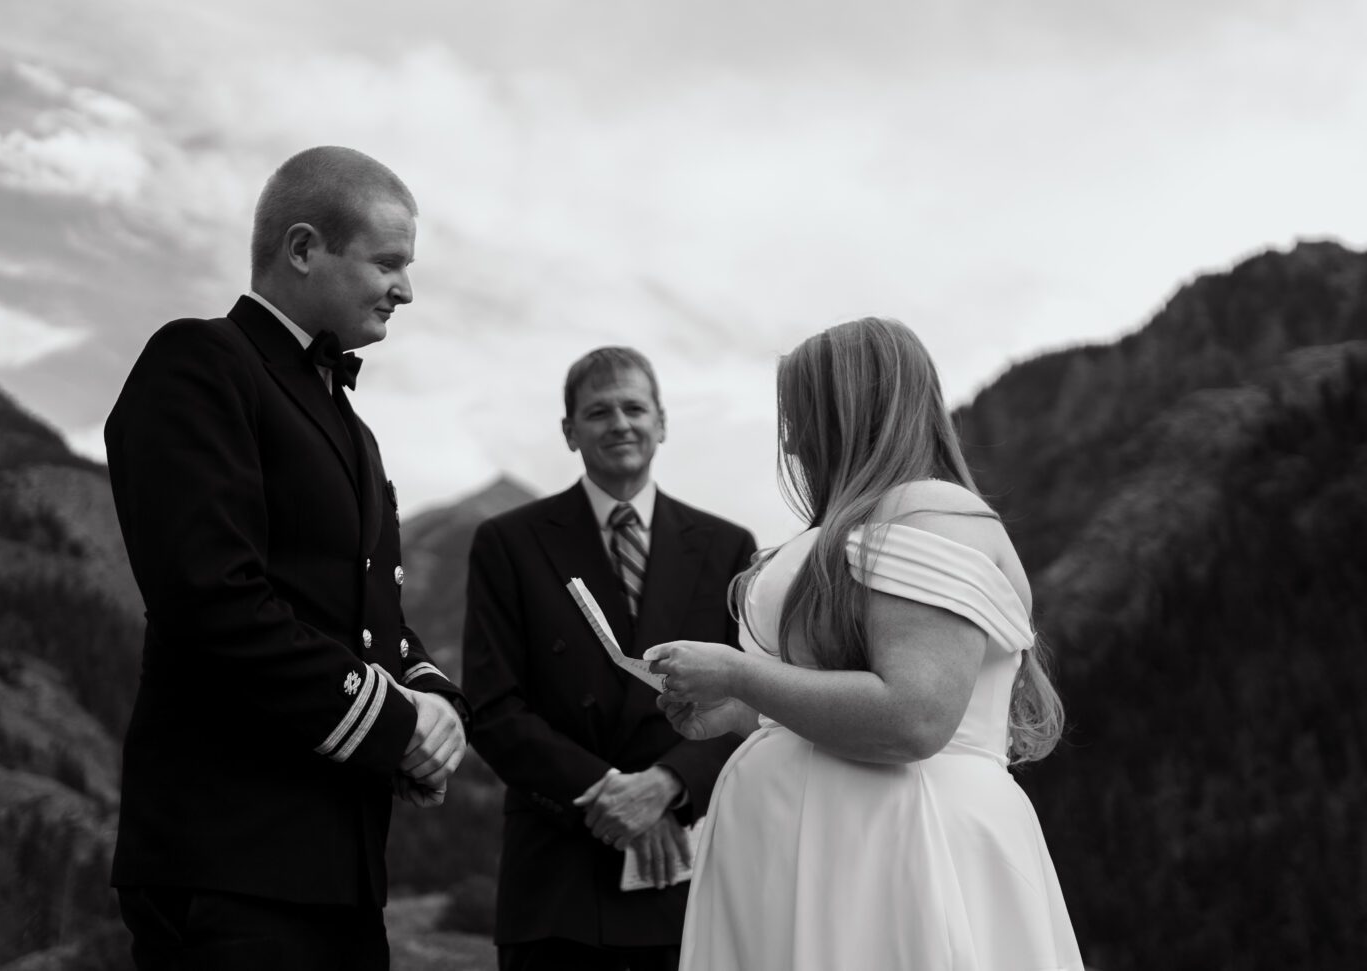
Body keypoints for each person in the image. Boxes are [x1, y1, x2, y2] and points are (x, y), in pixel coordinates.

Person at [104, 146, 469, 970]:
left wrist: (432, 696)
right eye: (388, 263)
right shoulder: (199, 363)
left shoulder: (352, 427)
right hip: (228, 859)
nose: (406, 290)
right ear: (304, 249)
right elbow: (213, 598)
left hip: (338, 872)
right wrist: (393, 724)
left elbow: (369, 617)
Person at [646, 318, 1083, 970]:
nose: (792, 438)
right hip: (835, 854)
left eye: (802, 413)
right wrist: (743, 710)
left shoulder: (929, 510)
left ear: (852, 408)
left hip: (896, 851)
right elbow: (849, 687)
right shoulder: (883, 514)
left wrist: (740, 675)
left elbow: (913, 715)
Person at [463, 347, 757, 971]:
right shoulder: (508, 543)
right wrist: (611, 794)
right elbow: (493, 709)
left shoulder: (728, 546)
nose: (620, 423)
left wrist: (667, 785)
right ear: (569, 431)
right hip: (556, 873)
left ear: (663, 423)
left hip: (682, 868)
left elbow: (749, 699)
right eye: (598, 412)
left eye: (634, 407)